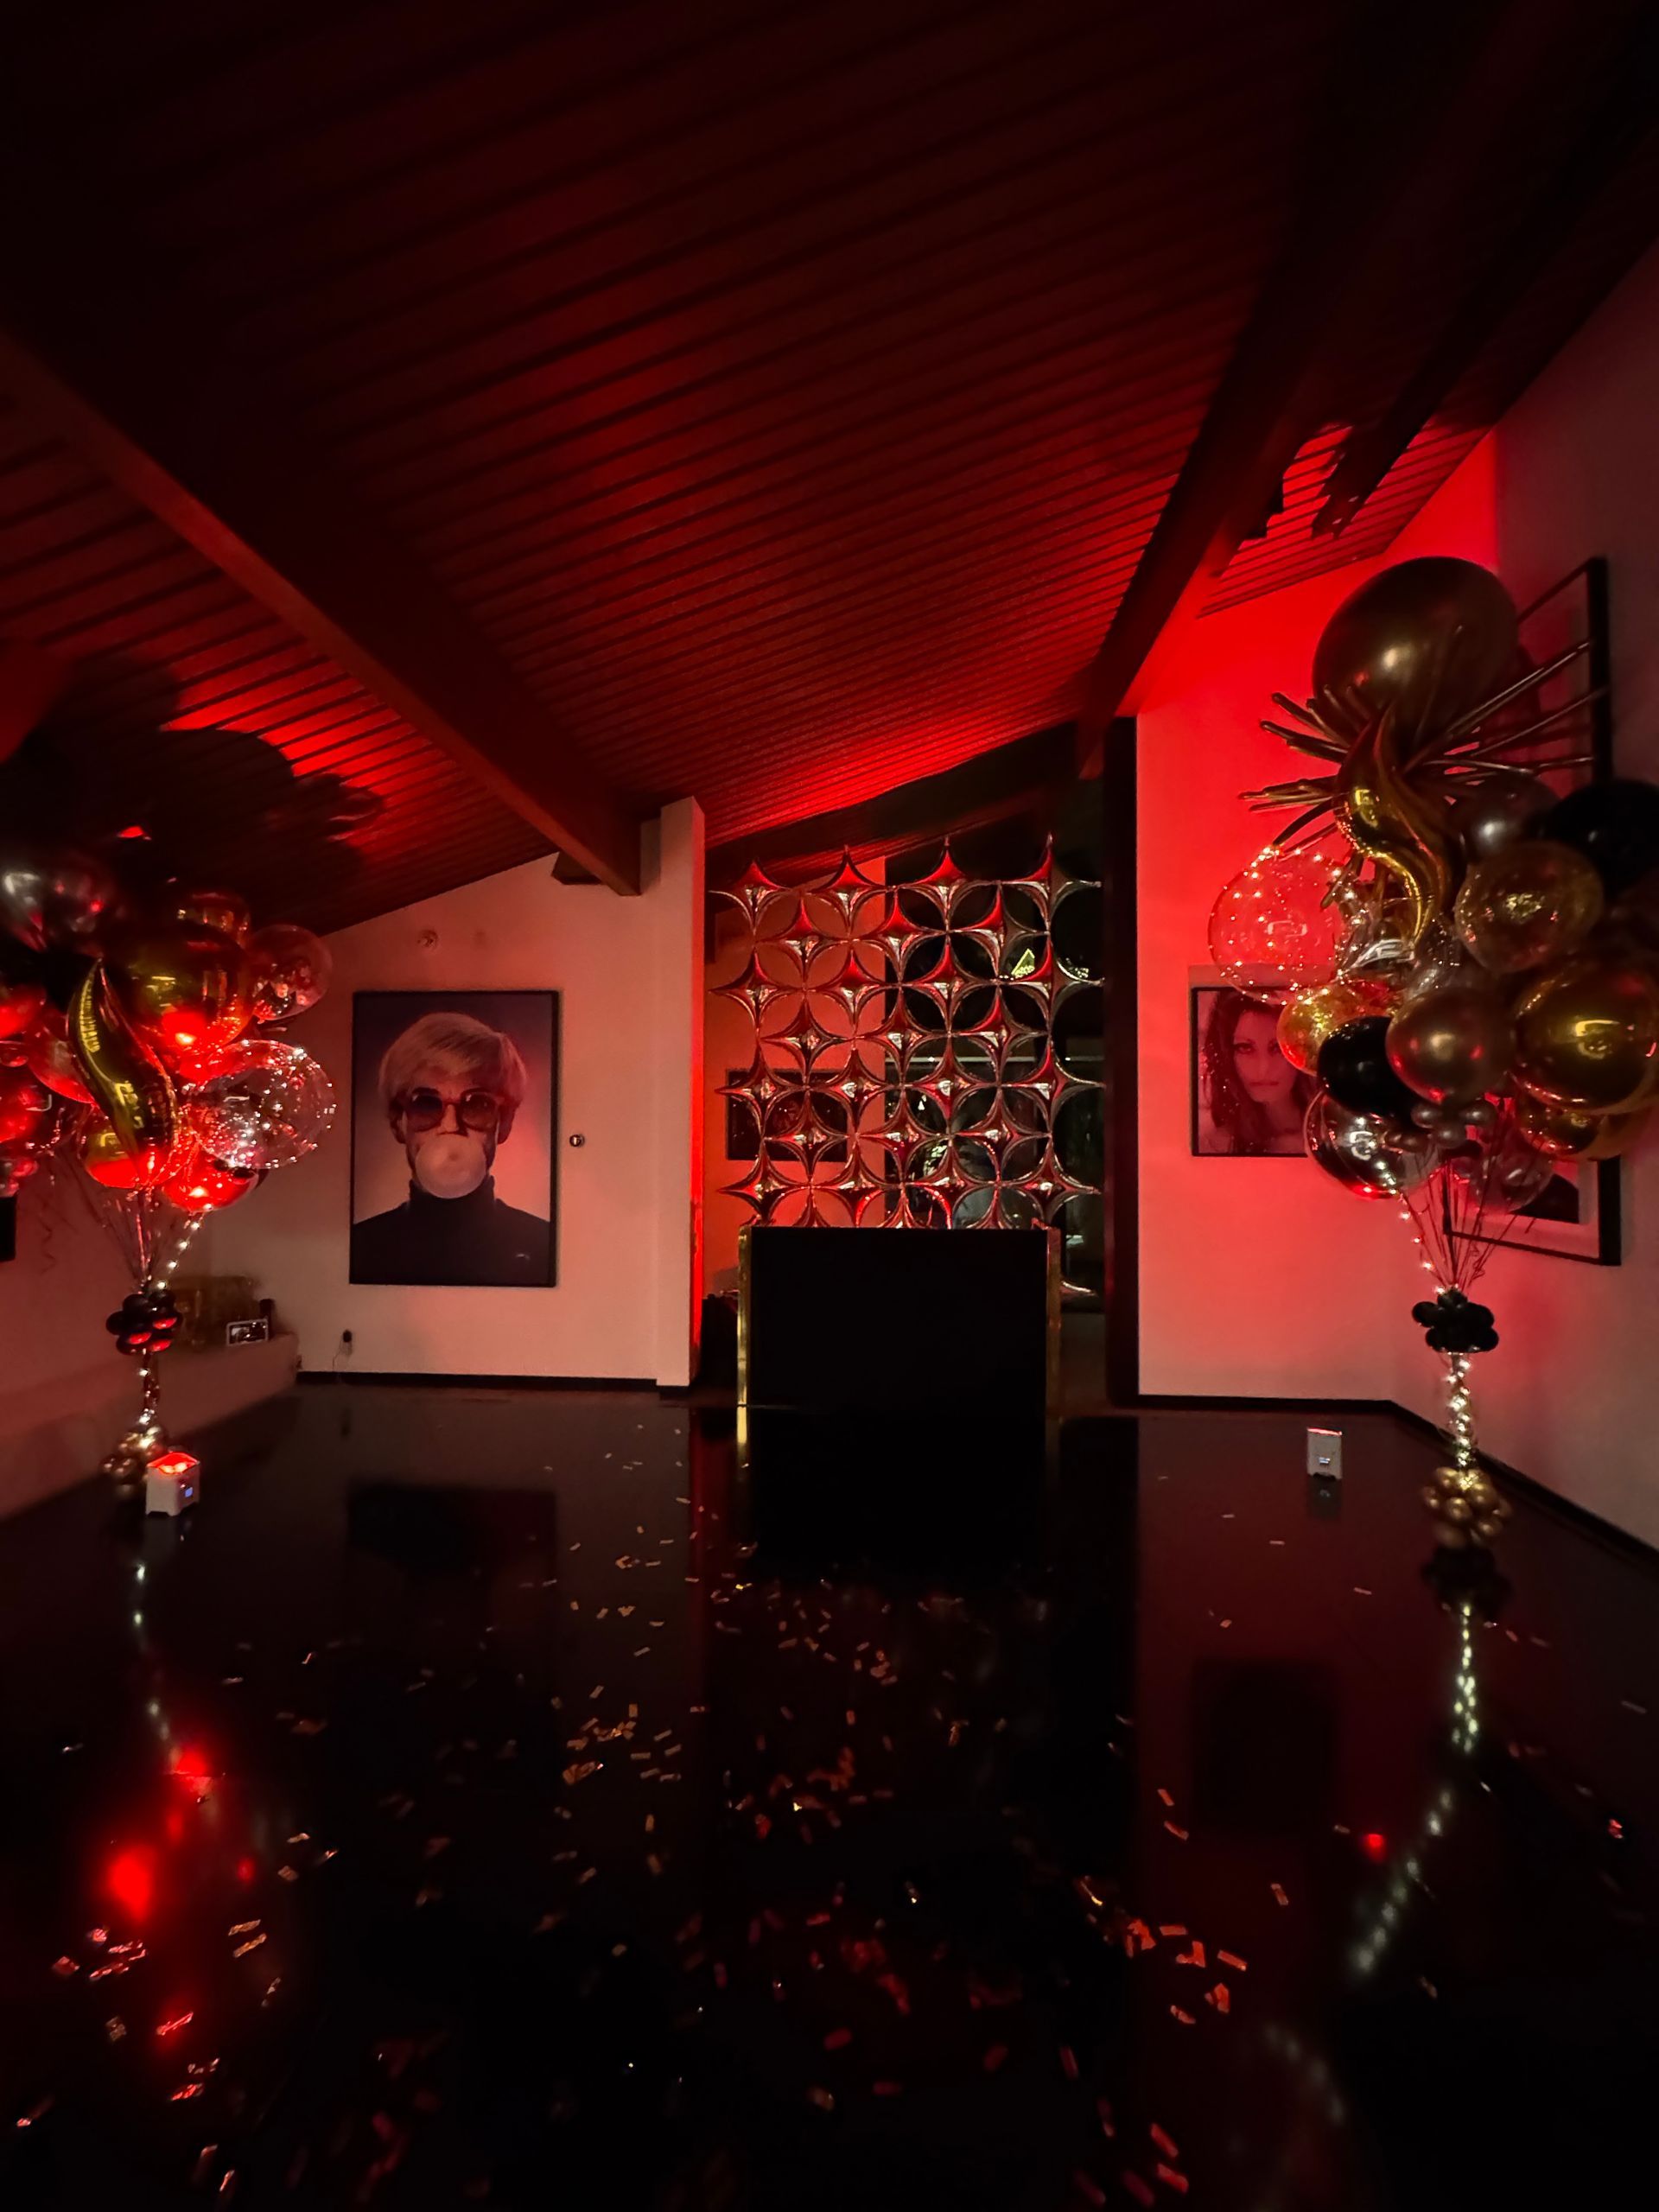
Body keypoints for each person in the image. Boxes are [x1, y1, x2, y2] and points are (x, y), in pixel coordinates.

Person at [351, 1009, 552, 1286]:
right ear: (398, 1122)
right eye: (426, 1104)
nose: (450, 1126)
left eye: (478, 1104)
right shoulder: (363, 1245)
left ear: (504, 1123)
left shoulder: (540, 1244)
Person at [1199, 988, 1315, 1156]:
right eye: (1245, 1048)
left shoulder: (1332, 1140)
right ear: (1227, 1054)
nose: (1264, 1068)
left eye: (1278, 1048)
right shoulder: (1215, 1146)